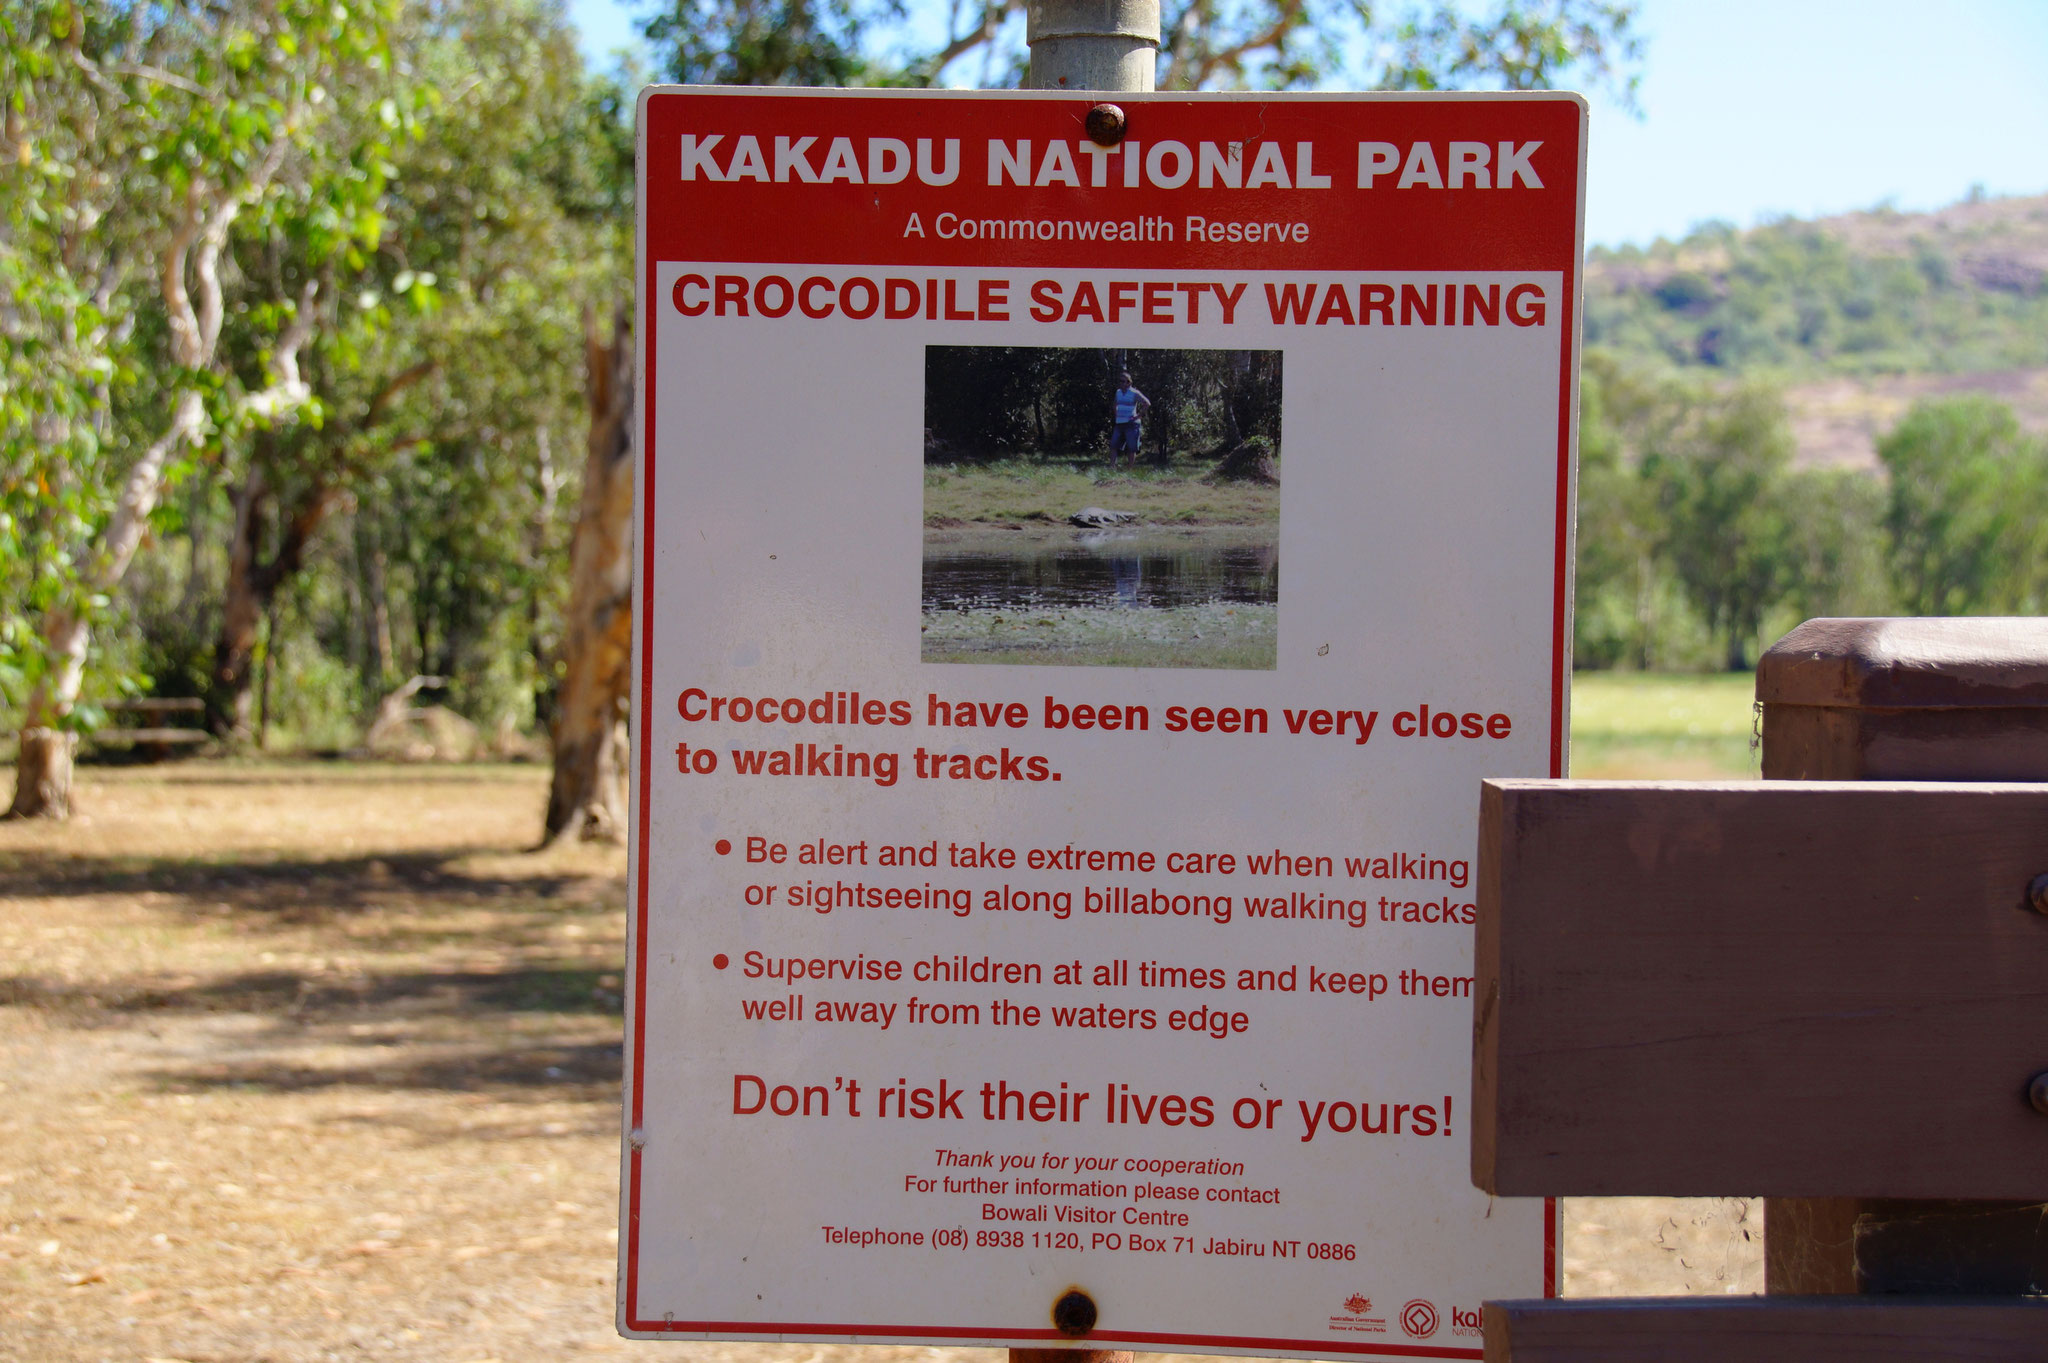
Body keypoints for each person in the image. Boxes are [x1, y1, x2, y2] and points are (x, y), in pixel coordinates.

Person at [1109, 371, 1151, 471]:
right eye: (1120, 381)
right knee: (1113, 446)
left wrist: (1139, 416)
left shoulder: (1134, 393)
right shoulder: (1118, 392)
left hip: (1131, 424)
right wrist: (1116, 415)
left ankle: (1129, 469)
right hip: (1119, 423)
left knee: (1131, 448)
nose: (1122, 383)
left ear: (1129, 382)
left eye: (1124, 381)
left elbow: (1147, 403)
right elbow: (1114, 404)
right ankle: (1112, 468)